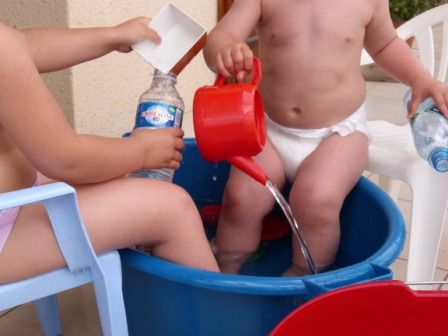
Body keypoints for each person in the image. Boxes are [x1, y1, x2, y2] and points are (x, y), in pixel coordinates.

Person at [203, 0, 448, 275]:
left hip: (338, 133)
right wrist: (223, 51)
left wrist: (420, 79)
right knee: (240, 198)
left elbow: (385, 45)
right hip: (268, 130)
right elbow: (222, 35)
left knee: (316, 200)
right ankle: (226, 268)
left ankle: (306, 273)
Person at [0, 17, 219, 283]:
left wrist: (111, 36)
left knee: (114, 176)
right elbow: (65, 160)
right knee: (174, 207)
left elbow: (23, 44)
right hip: (7, 229)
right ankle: (225, 320)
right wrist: (140, 150)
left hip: (16, 195)